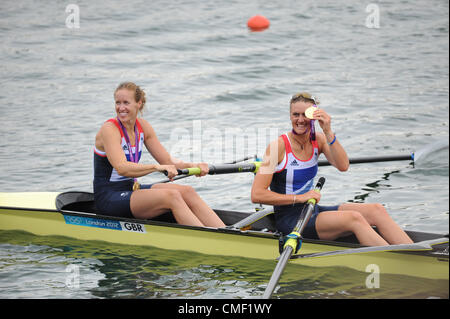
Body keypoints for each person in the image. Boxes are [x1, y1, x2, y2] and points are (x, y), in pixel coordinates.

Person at [251, 92, 413, 246]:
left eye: (305, 115)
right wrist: (299, 198)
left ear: (314, 116)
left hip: (312, 210)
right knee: (353, 218)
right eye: (295, 115)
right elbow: (257, 194)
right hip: (291, 220)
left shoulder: (319, 140)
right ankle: (394, 262)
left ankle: (418, 255)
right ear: (290, 116)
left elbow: (343, 166)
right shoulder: (277, 147)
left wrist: (328, 130)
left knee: (376, 209)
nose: (300, 120)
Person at [93, 82, 225, 228]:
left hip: (131, 189)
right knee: (171, 196)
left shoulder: (143, 127)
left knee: (187, 191)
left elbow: (167, 160)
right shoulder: (109, 129)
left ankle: (226, 234)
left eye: (126, 103)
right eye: (118, 103)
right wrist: (156, 167)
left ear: (139, 104)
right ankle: (208, 239)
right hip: (108, 197)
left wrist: (193, 165)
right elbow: (122, 168)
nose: (121, 108)